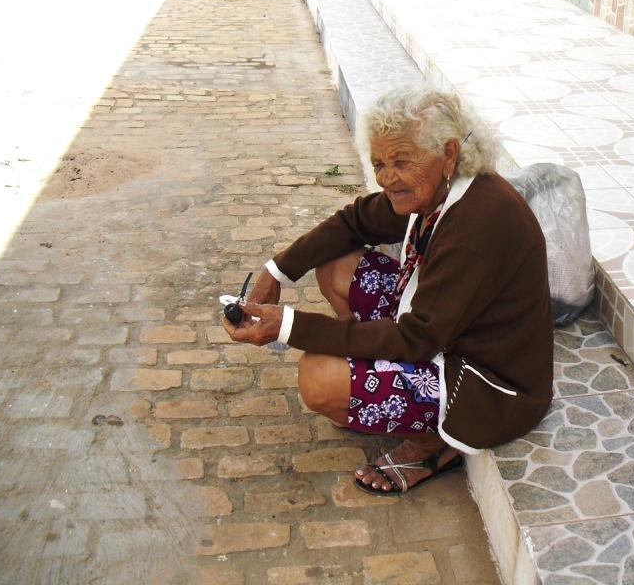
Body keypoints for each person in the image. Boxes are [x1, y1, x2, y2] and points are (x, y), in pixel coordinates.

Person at [221, 86, 553, 494]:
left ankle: (431, 447)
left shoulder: (475, 225)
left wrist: (288, 326)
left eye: (400, 162)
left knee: (317, 377)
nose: (385, 178)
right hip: (443, 333)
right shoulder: (440, 187)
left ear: (448, 153)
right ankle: (366, 386)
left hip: (488, 384)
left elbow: (415, 338)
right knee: (336, 266)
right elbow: (355, 222)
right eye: (379, 163)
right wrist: (277, 271)